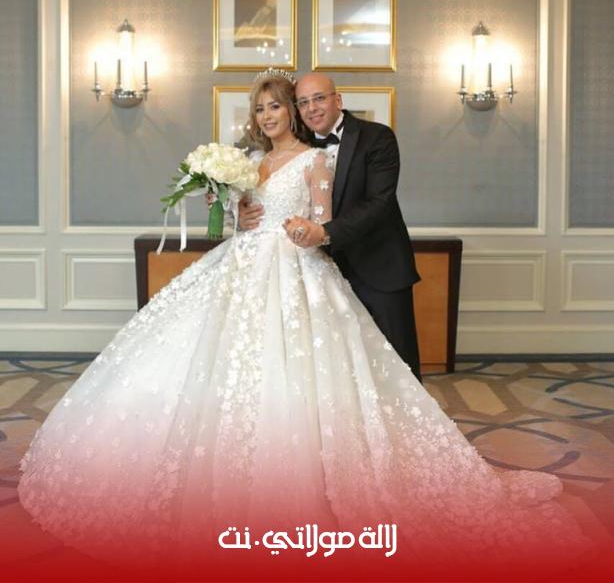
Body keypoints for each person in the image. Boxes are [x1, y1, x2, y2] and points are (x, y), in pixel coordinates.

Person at [18, 70, 588, 578]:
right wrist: (238, 212)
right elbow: (242, 222)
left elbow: (323, 220)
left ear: (298, 109)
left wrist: (303, 231)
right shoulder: (250, 162)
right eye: (260, 108)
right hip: (241, 267)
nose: (269, 115)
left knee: (314, 377)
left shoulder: (318, 159)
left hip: (296, 269)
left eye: (277, 106)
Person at [239, 73, 422, 381]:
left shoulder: (376, 137)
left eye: (319, 99)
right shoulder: (299, 147)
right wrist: (241, 210)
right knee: (336, 370)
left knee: (396, 363)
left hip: (378, 265)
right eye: (303, 102)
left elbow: (380, 204)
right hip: (319, 271)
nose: (312, 108)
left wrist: (324, 233)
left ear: (338, 100)